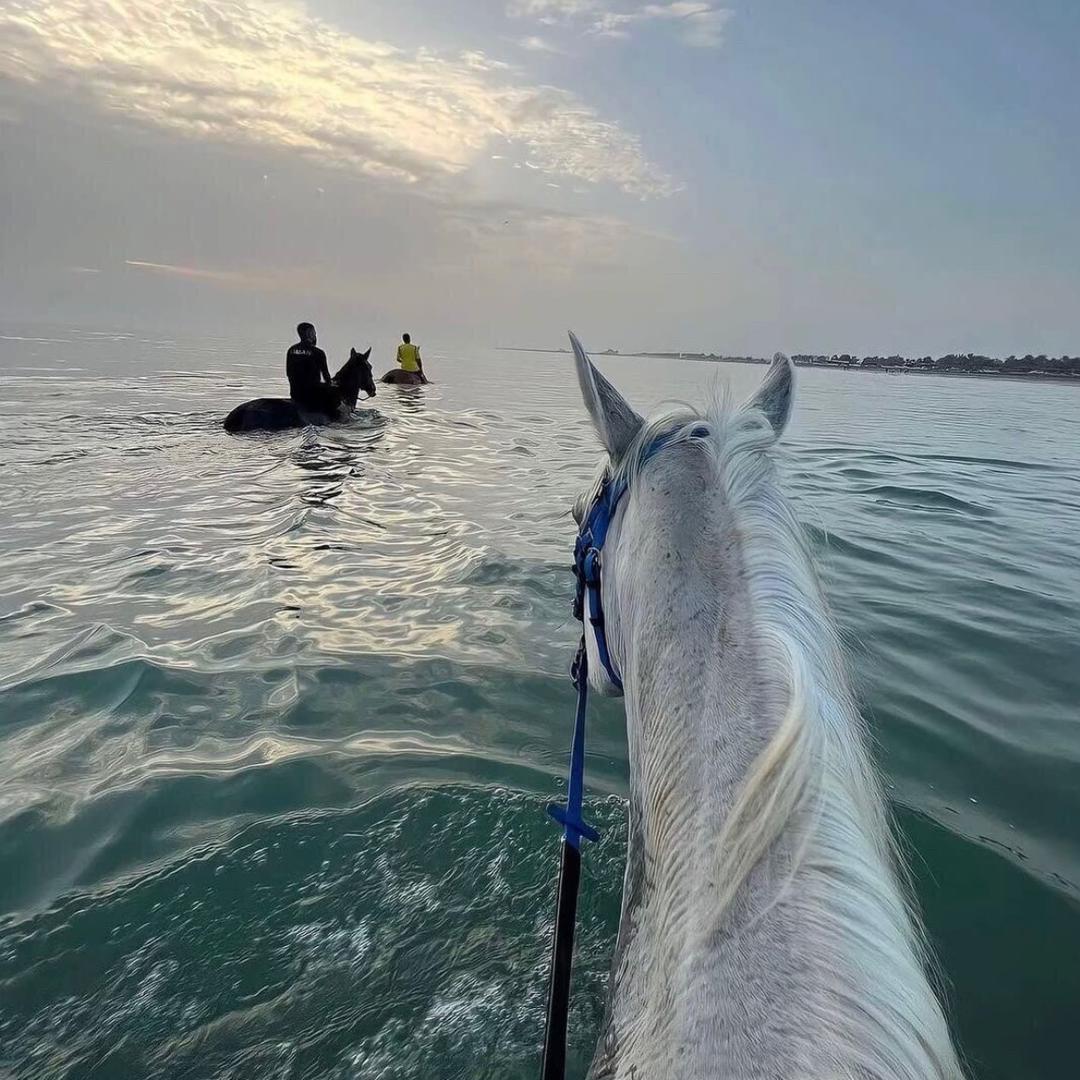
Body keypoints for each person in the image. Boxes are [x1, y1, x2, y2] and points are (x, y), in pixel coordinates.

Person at [286, 322, 338, 413]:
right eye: (314, 333)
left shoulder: (291, 350)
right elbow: (326, 376)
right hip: (313, 393)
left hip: (295, 393)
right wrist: (331, 384)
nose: (315, 335)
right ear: (309, 334)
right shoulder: (318, 353)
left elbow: (288, 373)